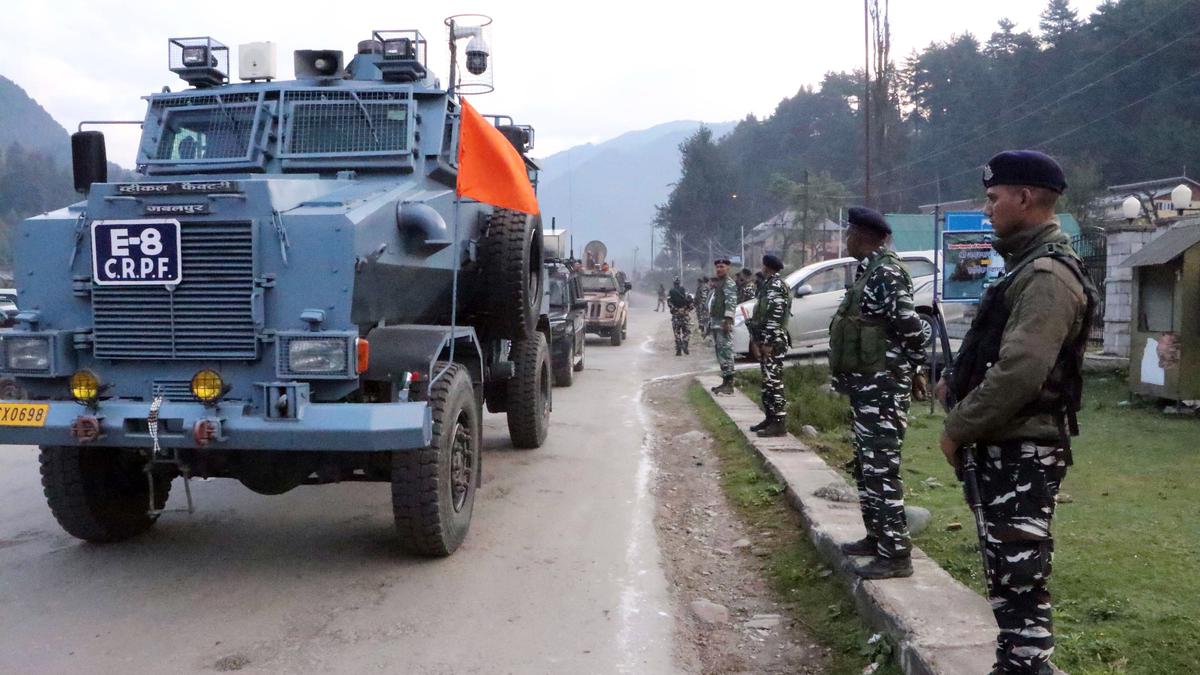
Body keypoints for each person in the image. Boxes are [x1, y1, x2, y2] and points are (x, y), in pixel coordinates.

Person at [937, 151, 1096, 675]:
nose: (986, 210)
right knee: (1007, 577)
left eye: (992, 198)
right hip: (1005, 446)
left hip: (1021, 451)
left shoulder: (1047, 275)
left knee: (1020, 578)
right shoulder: (1025, 268)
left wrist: (958, 426)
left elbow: (1021, 371)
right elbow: (996, 350)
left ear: (1024, 199)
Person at [829, 206, 929, 580]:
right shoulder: (869, 269)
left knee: (882, 467)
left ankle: (896, 553)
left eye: (850, 233)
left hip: (884, 387)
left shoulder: (886, 272)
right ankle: (877, 538)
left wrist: (915, 368)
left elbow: (909, 326)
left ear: (867, 236)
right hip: (867, 384)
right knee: (866, 464)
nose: (846, 239)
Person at [748, 254, 791, 436]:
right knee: (767, 383)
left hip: (774, 342)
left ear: (766, 267)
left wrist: (768, 342)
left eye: (763, 266)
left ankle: (779, 423)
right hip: (765, 339)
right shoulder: (767, 286)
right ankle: (770, 418)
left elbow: (775, 316)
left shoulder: (776, 286)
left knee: (774, 383)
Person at [708, 258, 739, 395]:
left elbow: (731, 302)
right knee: (720, 353)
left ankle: (729, 383)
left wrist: (728, 321)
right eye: (717, 267)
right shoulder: (719, 284)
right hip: (716, 322)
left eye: (722, 266)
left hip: (723, 323)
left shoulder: (729, 284)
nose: (719, 269)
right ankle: (725, 382)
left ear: (728, 268)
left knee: (726, 352)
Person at [667, 278, 693, 356]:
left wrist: (675, 309)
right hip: (685, 316)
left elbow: (669, 304)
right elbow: (691, 305)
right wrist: (686, 310)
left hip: (676, 316)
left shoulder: (671, 293)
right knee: (686, 332)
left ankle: (678, 348)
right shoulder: (685, 292)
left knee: (677, 332)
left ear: (674, 283)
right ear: (679, 283)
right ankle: (685, 344)